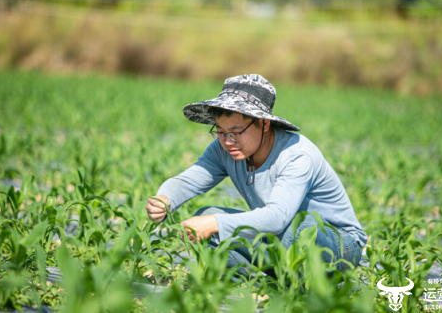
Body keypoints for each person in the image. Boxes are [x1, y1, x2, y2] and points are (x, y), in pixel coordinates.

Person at [146, 74, 367, 274]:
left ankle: (297, 289)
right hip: (280, 239)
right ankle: (259, 284)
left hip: (338, 244)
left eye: (235, 133)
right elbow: (189, 180)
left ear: (264, 124)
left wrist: (216, 222)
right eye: (220, 132)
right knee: (207, 215)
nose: (227, 141)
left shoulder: (297, 155)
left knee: (299, 225)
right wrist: (165, 199)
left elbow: (278, 217)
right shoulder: (223, 148)